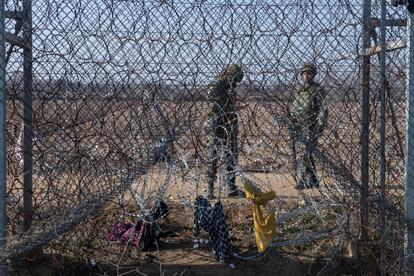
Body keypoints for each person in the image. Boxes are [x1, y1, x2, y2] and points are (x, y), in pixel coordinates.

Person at [205, 64, 246, 199]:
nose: (235, 83)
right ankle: (210, 189)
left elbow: (228, 105)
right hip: (216, 124)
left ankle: (231, 188)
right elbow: (211, 99)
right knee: (213, 156)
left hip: (229, 123)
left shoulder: (230, 88)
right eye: (234, 79)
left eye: (237, 81)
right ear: (228, 75)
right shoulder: (217, 85)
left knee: (231, 155)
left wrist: (233, 108)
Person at [289, 63, 328, 190]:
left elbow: (323, 107)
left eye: (309, 73)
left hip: (311, 124)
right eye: (304, 73)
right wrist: (291, 120)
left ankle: (303, 179)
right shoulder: (298, 89)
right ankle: (313, 179)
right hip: (298, 124)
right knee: (306, 151)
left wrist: (321, 123)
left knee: (305, 151)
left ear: (314, 74)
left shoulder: (317, 89)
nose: (306, 76)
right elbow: (293, 105)